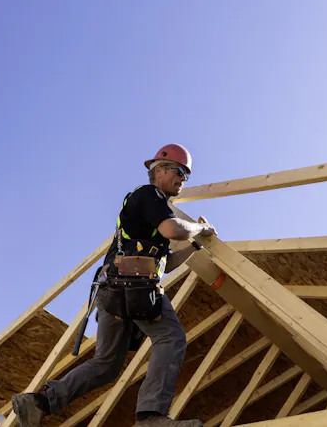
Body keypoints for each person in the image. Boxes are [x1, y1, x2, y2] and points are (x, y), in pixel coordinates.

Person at [11, 143, 217, 427]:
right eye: (180, 172)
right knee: (170, 338)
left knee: (106, 364)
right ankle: (150, 418)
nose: (183, 179)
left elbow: (165, 264)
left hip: (115, 288)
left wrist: (195, 245)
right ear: (159, 170)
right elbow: (173, 229)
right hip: (134, 285)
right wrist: (201, 229)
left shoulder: (150, 215)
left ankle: (38, 403)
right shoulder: (150, 195)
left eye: (186, 176)